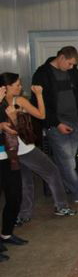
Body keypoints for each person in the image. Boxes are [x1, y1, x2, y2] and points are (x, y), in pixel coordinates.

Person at [0, 73, 77, 223]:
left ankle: (24, 214)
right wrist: (39, 95)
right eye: (17, 85)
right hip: (24, 148)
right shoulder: (19, 100)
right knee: (52, 172)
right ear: (7, 87)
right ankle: (61, 206)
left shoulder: (6, 103)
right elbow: (41, 115)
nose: (20, 87)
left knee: (25, 181)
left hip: (10, 151)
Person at [31, 46, 78, 205]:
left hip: (76, 122)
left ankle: (62, 188)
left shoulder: (73, 73)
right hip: (56, 125)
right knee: (66, 162)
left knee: (68, 162)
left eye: (74, 64)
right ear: (61, 58)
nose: (71, 67)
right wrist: (56, 123)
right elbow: (39, 103)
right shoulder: (42, 74)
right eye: (69, 63)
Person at [0, 86, 26, 261]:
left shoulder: (3, 105)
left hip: (8, 156)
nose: (3, 90)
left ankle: (6, 233)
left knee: (15, 195)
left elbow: (15, 131)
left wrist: (14, 118)